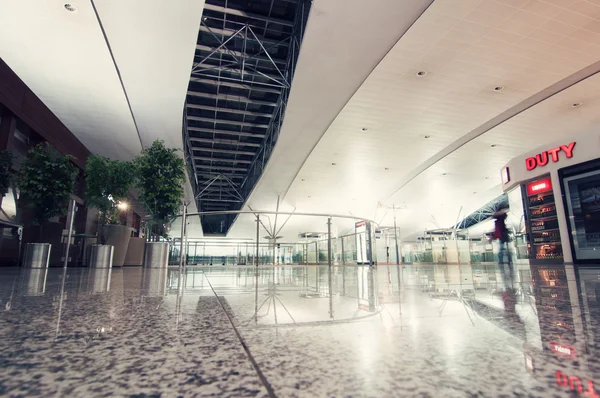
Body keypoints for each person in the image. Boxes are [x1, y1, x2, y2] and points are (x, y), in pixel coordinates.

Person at [493, 209, 513, 287]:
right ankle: (508, 261)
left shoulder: (498, 219)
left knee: (502, 249)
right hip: (503, 234)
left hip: (502, 234)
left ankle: (503, 261)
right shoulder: (500, 219)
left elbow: (495, 216)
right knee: (504, 249)